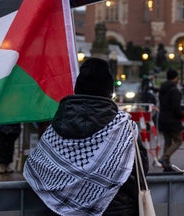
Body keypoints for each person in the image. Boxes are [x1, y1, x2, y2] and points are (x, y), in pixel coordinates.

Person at [24, 57, 148, 216]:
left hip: (58, 211)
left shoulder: (56, 124)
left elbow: (37, 166)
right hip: (116, 209)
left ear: (78, 88)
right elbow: (140, 172)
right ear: (110, 91)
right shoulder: (124, 128)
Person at [157, 69, 184, 172]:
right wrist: (181, 115)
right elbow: (176, 107)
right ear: (175, 78)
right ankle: (164, 158)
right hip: (172, 120)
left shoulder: (163, 89)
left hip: (163, 118)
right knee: (178, 140)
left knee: (167, 142)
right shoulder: (174, 90)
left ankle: (166, 165)